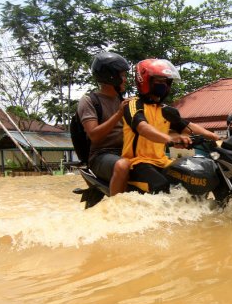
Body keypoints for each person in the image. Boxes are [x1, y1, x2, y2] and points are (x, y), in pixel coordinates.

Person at [121, 58, 218, 193]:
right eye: (159, 81)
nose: (164, 85)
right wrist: (170, 139)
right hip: (137, 163)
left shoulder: (165, 110)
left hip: (162, 161)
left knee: (192, 177)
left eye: (166, 82)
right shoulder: (133, 104)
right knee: (161, 185)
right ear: (144, 81)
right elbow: (143, 128)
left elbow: (187, 126)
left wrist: (214, 137)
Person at [77, 51, 131, 196]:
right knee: (123, 165)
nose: (125, 79)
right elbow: (94, 135)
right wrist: (119, 114)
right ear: (111, 77)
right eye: (122, 75)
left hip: (126, 151)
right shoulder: (89, 101)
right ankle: (116, 210)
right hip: (102, 154)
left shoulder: (124, 101)